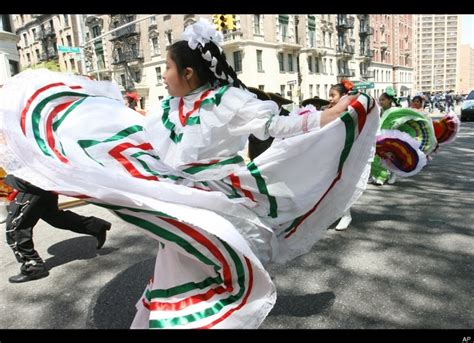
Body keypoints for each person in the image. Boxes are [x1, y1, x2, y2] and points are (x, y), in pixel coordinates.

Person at [0, 18, 379, 328]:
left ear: (188, 71)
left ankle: (189, 317)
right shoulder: (166, 109)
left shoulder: (228, 99)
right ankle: (175, 318)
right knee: (178, 262)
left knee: (203, 265)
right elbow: (139, 140)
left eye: (166, 67)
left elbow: (281, 125)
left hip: (216, 200)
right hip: (177, 198)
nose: (162, 75)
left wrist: (332, 114)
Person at [3, 174, 111, 283]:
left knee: (15, 227)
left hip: (29, 184)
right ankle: (96, 226)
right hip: (40, 182)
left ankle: (33, 267)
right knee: (55, 217)